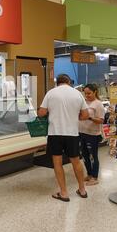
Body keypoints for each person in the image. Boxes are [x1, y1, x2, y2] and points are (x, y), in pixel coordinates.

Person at [38, 74, 90, 202]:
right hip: (72, 133)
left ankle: (64, 193)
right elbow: (85, 115)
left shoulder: (51, 93)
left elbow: (41, 113)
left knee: (57, 163)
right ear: (69, 82)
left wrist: (51, 111)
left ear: (58, 83)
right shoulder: (77, 94)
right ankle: (82, 190)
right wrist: (73, 117)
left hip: (55, 133)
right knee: (76, 161)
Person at [79, 84, 105, 186]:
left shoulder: (98, 104)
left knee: (93, 156)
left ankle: (95, 177)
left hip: (92, 134)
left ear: (95, 92)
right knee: (85, 156)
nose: (87, 95)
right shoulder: (83, 102)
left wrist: (89, 118)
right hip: (81, 132)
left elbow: (100, 120)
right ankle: (89, 174)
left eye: (89, 93)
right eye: (85, 93)